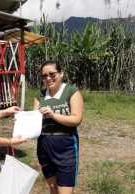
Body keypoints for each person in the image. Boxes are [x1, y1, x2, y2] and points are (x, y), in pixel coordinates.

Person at [33, 61, 84, 194]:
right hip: (44, 148)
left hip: (66, 149)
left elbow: (76, 119)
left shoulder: (71, 91)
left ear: (61, 74)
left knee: (65, 191)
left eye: (52, 74)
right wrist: (22, 119)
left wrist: (53, 115)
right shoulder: (40, 95)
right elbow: (34, 122)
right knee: (53, 188)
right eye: (44, 76)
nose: (48, 78)